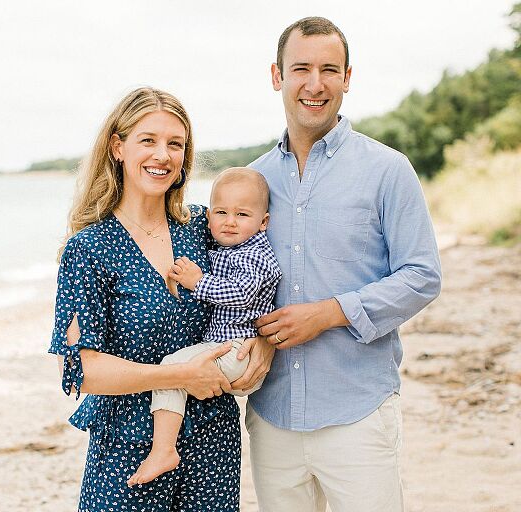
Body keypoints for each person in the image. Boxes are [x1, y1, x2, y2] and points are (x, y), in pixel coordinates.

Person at [233, 16, 442, 512]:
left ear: (347, 77)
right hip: (272, 413)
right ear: (276, 75)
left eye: (329, 69)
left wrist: (330, 312)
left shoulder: (388, 170)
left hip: (358, 412)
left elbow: (422, 275)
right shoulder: (252, 182)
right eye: (300, 68)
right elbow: (233, 278)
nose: (314, 83)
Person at [49, 87, 250, 511]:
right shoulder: (89, 248)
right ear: (118, 147)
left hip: (212, 441)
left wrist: (264, 347)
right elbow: (83, 370)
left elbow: (261, 281)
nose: (162, 155)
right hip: (128, 448)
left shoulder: (202, 226)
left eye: (174, 144)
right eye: (148, 140)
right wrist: (179, 376)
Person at [127, 167, 282, 487]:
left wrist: (198, 282)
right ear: (209, 215)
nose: (230, 221)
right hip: (229, 349)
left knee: (172, 368)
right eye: (221, 212)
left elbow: (242, 294)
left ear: (263, 222)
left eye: (242, 214)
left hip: (240, 350)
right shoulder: (230, 242)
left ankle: (163, 449)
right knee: (179, 372)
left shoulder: (257, 256)